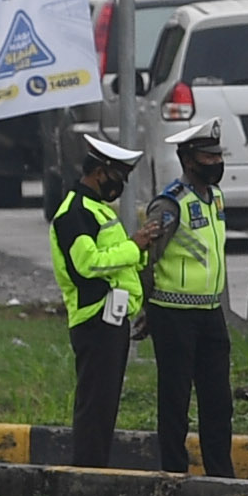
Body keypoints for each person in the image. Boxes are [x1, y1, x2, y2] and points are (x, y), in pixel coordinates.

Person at [140, 119, 235, 478]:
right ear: (188, 160)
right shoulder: (170, 204)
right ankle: (174, 475)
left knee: (218, 403)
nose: (215, 163)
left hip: (211, 313)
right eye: (207, 157)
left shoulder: (216, 198)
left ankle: (220, 476)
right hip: (172, 313)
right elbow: (148, 258)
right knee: (175, 401)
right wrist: (148, 308)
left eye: (217, 155)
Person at [50, 131, 147, 467]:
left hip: (111, 318)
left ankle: (96, 470)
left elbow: (116, 260)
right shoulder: (74, 212)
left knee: (105, 406)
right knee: (95, 406)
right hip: (94, 320)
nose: (120, 185)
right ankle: (87, 475)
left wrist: (141, 252)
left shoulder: (97, 209)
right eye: (118, 177)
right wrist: (135, 245)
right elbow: (87, 263)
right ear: (100, 172)